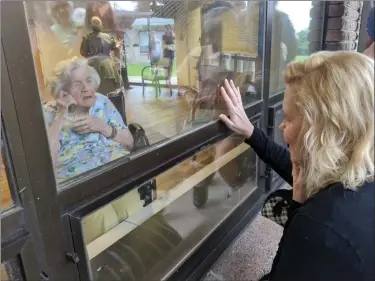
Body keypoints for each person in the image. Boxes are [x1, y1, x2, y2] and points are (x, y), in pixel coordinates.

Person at [219, 51, 374, 281]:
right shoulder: (359, 176)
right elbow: (294, 168)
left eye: (289, 119)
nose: (281, 126)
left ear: (322, 134)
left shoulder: (320, 228)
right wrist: (252, 134)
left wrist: (297, 209)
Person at [44, 58, 134, 182]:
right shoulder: (49, 114)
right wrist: (60, 116)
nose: (86, 88)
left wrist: (103, 127)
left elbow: (129, 142)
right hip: (80, 185)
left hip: (118, 173)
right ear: (62, 91)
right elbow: (44, 167)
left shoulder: (102, 102)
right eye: (77, 84)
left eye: (88, 81)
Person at [80, 16, 121, 94]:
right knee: (109, 91)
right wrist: (118, 44)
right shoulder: (108, 36)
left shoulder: (87, 38)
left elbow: (83, 52)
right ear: (101, 25)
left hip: (92, 65)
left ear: (91, 26)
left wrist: (89, 55)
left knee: (92, 91)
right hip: (107, 66)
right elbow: (115, 48)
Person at [162, 24, 175, 95]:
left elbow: (173, 47)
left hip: (171, 56)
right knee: (167, 72)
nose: (166, 30)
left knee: (170, 72)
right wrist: (170, 47)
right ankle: (169, 86)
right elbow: (163, 46)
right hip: (166, 55)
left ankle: (169, 86)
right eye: (166, 29)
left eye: (167, 29)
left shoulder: (173, 36)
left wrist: (168, 46)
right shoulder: (164, 36)